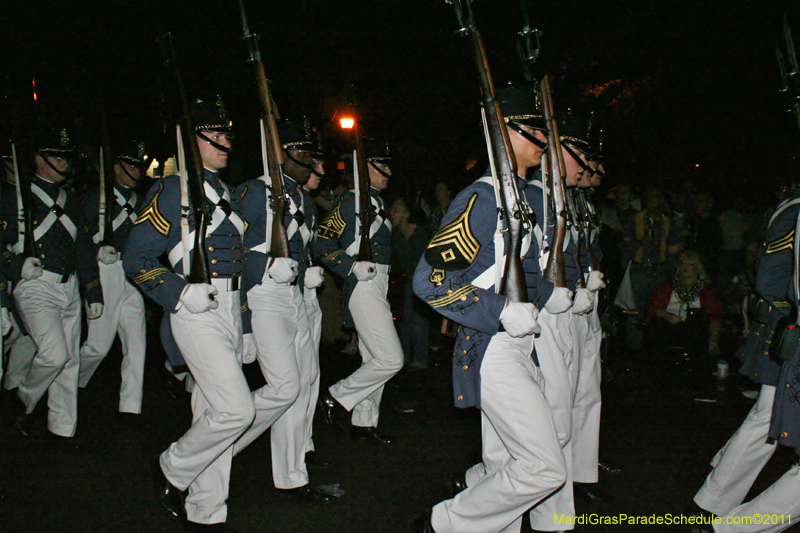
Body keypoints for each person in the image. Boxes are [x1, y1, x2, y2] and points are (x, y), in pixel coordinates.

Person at [410, 82, 566, 533]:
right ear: (507, 131)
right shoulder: (482, 197)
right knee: (543, 467)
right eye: (534, 130)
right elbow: (429, 279)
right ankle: (443, 524)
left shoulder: (520, 196)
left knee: (504, 466)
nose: (543, 141)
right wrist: (498, 310)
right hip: (491, 347)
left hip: (520, 346)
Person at [124, 96, 252, 532]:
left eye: (227, 135)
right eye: (214, 135)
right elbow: (137, 258)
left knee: (210, 411)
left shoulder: (228, 193)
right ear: (189, 140)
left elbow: (239, 265)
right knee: (237, 410)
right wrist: (178, 293)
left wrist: (247, 323)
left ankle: (207, 508)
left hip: (231, 308)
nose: (225, 143)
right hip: (196, 309)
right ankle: (171, 468)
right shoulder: (171, 190)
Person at [688, 182, 800, 533]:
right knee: (766, 418)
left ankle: (715, 502)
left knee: (766, 418)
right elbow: (771, 279)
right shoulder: (793, 208)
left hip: (787, 327)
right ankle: (716, 505)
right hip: (786, 328)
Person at [232, 119, 331, 502]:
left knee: (303, 383)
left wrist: (306, 274)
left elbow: (298, 249)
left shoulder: (303, 199)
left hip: (295, 298)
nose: (311, 165)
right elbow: (228, 249)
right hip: (263, 296)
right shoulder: (253, 192)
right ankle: (220, 442)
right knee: (285, 386)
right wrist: (262, 270)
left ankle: (293, 475)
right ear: (281, 154)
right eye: (303, 154)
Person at [3, 125, 103, 440]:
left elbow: (84, 248)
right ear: (38, 159)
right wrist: (16, 264)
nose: (64, 163)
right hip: (35, 284)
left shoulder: (70, 199)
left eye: (66, 157)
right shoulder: (14, 197)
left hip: (69, 285)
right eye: (56, 157)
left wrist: (92, 290)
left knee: (70, 362)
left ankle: (62, 428)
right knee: (53, 355)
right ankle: (24, 400)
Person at [315, 136, 404, 445]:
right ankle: (334, 396)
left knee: (373, 358)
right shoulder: (351, 201)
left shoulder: (376, 201)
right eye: (381, 166)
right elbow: (322, 243)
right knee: (391, 359)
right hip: (362, 285)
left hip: (378, 283)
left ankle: (364, 424)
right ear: (365, 168)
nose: (387, 172)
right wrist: (350, 265)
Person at [78, 139, 148, 416]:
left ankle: (130, 406)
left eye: (139, 166)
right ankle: (71, 380)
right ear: (117, 168)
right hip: (105, 271)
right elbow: (80, 239)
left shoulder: (141, 201)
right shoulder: (95, 198)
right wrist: (97, 251)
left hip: (131, 272)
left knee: (137, 342)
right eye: (131, 165)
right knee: (98, 346)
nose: (136, 171)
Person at [644, 250, 723, 360]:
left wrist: (713, 341)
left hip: (694, 330)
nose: (684, 267)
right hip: (669, 326)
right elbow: (652, 308)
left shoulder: (707, 291)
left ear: (697, 267)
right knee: (658, 330)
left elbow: (715, 317)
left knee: (698, 333)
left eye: (689, 265)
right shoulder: (667, 287)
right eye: (682, 264)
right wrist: (667, 316)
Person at [390, 197, 433, 370]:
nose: (392, 214)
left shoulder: (422, 234)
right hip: (412, 279)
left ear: (407, 214)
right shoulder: (397, 235)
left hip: (427, 280)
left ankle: (420, 358)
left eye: (396, 210)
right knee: (407, 318)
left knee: (418, 320)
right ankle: (405, 357)